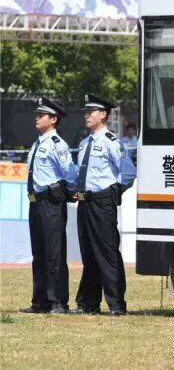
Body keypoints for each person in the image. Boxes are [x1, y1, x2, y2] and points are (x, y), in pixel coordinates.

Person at [70, 94, 136, 316]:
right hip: (84, 204)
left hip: (102, 204)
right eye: (86, 112)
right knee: (89, 254)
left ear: (104, 115)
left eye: (92, 112)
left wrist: (112, 193)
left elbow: (128, 172)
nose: (87, 115)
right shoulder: (84, 143)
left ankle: (116, 304)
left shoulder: (110, 141)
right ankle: (88, 303)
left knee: (107, 254)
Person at [20, 98, 78, 314]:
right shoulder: (37, 143)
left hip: (51, 203)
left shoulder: (57, 144)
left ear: (53, 119)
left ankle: (58, 302)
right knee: (39, 254)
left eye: (41, 115)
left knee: (54, 253)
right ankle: (40, 301)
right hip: (35, 204)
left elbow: (70, 173)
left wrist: (69, 191)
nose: (36, 118)